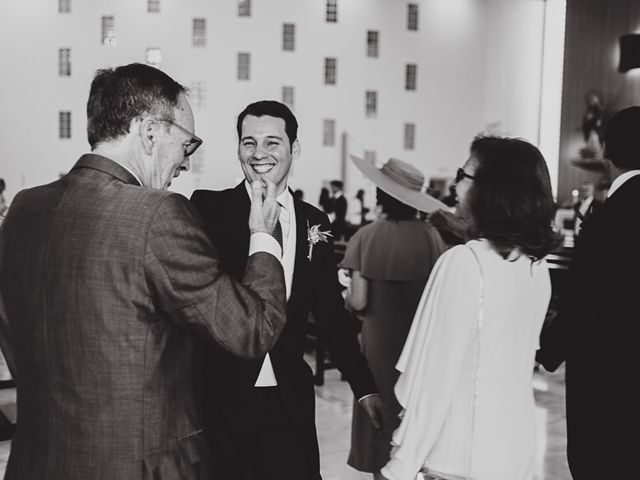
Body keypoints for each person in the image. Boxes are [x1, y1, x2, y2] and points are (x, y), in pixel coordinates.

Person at [0, 63, 287, 480]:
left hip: (36, 461)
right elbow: (254, 328)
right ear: (151, 131)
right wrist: (263, 235)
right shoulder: (158, 214)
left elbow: (10, 327)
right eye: (188, 145)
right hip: (136, 465)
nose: (186, 165)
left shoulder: (25, 208)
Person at [190, 100, 384, 480]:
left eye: (272, 142)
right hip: (223, 398)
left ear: (294, 149)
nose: (259, 153)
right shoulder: (209, 209)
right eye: (249, 143)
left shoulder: (314, 220)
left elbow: (329, 313)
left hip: (287, 399)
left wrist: (364, 387)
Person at [380, 136, 561, 480]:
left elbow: (437, 377)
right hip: (514, 449)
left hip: (458, 455)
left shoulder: (464, 263)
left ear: (492, 190)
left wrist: (401, 464)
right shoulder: (537, 267)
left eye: (464, 174)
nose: (454, 183)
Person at [537, 106, 640, 478]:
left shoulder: (608, 219)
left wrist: (546, 347)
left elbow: (586, 303)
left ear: (607, 154)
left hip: (608, 385)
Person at [342, 156, 447, 479]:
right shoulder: (434, 239)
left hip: (378, 346)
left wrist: (345, 297)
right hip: (418, 348)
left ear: (380, 194)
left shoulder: (366, 236)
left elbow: (359, 300)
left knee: (380, 420)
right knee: (413, 420)